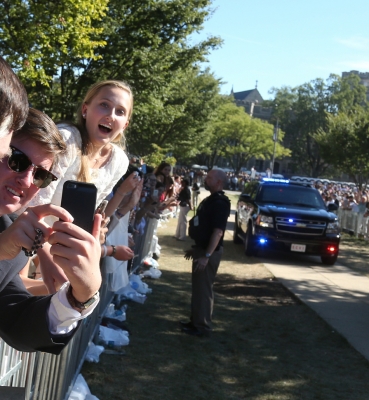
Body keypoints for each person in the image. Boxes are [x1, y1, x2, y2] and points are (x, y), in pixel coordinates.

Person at [0, 107, 102, 353]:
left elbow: (18, 323)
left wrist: (81, 296)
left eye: (41, 176)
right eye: (17, 160)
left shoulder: (7, 224)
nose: (26, 181)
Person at [27, 80, 138, 293]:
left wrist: (96, 233)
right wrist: (44, 255)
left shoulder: (119, 161)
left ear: (125, 124)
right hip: (27, 239)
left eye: (120, 111)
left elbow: (89, 213)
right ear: (85, 109)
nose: (111, 115)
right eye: (104, 105)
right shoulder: (67, 139)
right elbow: (34, 204)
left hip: (64, 249)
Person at [181, 169, 231, 337]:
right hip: (201, 250)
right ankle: (195, 320)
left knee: (204, 290)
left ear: (219, 182)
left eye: (209, 178)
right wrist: (197, 249)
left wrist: (207, 256)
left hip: (209, 253)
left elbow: (218, 232)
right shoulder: (211, 200)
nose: (205, 179)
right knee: (198, 289)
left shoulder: (220, 203)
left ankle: (202, 326)